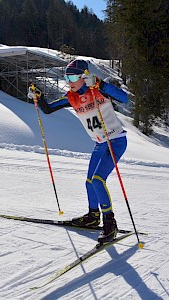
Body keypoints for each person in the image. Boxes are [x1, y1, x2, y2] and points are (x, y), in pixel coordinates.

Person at [28, 59, 128, 243]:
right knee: (90, 182)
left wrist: (100, 83)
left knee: (98, 180)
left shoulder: (98, 89)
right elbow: (48, 109)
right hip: (100, 144)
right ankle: (92, 216)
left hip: (115, 141)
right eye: (67, 77)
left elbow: (124, 98)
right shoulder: (71, 98)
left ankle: (109, 223)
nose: (70, 81)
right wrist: (38, 97)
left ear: (85, 76)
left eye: (73, 76)